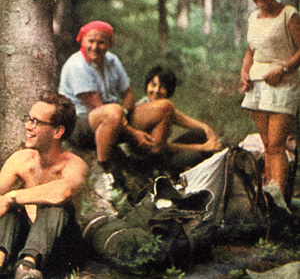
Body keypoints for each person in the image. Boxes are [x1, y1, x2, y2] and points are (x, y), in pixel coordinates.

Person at [59, 21, 175, 175]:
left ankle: (152, 162)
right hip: (79, 123)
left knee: (164, 107)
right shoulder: (77, 65)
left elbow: (128, 94)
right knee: (113, 111)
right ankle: (104, 167)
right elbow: (97, 107)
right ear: (82, 40)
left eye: (101, 42)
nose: (94, 47)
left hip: (114, 120)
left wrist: (125, 114)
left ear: (109, 44)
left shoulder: (112, 60)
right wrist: (132, 133)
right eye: (90, 41)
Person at [0, 91, 88, 279]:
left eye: (36, 122)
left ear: (58, 131)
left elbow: (62, 192)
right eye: (28, 119)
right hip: (23, 242)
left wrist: (11, 197)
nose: (28, 127)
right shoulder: (21, 160)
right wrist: (7, 202)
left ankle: (26, 268)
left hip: (60, 251)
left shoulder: (75, 165)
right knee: (9, 211)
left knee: (56, 205)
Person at [240, 0, 300, 208]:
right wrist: (244, 72)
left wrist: (283, 69)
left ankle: (280, 203)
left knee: (276, 145)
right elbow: (250, 51)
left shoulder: (289, 14)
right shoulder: (253, 17)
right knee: (267, 146)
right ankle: (268, 198)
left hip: (283, 83)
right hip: (257, 85)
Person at [132, 66, 222, 175]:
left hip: (163, 155)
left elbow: (186, 120)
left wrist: (206, 129)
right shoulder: (142, 107)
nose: (156, 91)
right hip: (148, 161)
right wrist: (202, 147)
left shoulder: (164, 108)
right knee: (196, 156)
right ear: (147, 85)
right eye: (153, 85)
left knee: (200, 133)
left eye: (162, 87)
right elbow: (161, 147)